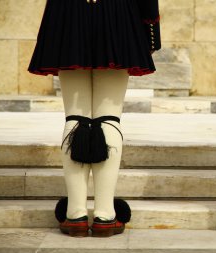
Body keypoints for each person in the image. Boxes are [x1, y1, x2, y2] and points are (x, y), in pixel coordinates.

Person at [28, 0, 161, 237]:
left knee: (75, 115)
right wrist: (151, 32)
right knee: (109, 116)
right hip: (117, 12)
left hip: (68, 12)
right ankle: (105, 215)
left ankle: (75, 214)